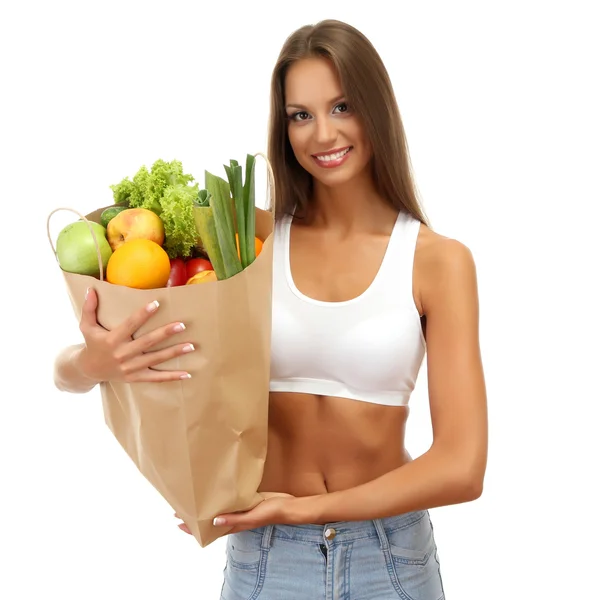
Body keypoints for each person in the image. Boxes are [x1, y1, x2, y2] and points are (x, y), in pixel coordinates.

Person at [54, 18, 488, 600]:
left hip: (391, 559)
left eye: (342, 106)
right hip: (267, 557)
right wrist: (95, 362)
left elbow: (463, 466)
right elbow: (69, 373)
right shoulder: (248, 249)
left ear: (376, 110)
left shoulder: (438, 261)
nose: (322, 134)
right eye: (300, 115)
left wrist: (312, 511)